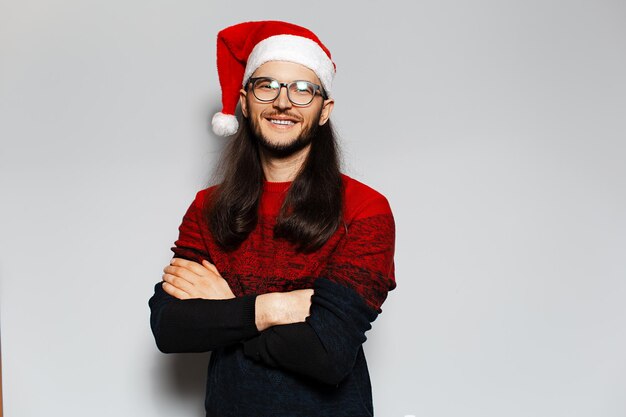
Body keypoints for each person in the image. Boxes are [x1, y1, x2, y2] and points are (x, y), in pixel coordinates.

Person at [148, 20, 396, 417]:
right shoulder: (207, 207)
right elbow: (170, 326)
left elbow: (327, 354)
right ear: (245, 102)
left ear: (323, 110)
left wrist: (227, 307)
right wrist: (274, 309)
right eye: (267, 85)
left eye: (302, 89)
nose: (283, 102)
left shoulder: (365, 209)